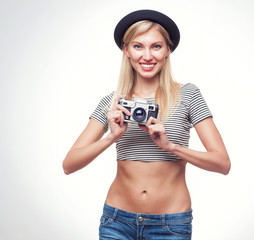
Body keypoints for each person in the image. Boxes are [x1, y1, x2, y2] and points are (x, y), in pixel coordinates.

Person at [63, 9, 230, 239]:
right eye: (138, 46)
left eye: (156, 46)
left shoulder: (188, 95)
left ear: (168, 51)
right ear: (126, 50)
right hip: (117, 221)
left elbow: (222, 163)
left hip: (170, 225)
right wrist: (111, 137)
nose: (147, 56)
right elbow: (69, 165)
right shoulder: (114, 102)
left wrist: (171, 147)